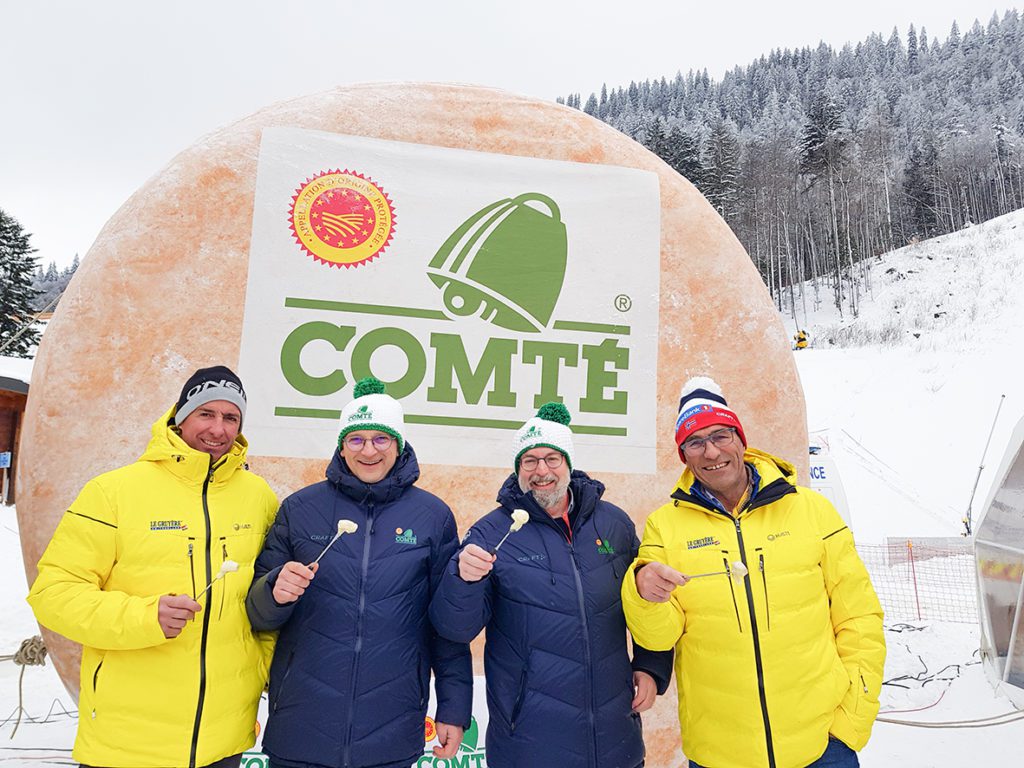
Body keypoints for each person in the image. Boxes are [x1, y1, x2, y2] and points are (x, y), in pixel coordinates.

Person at [621, 376, 885, 768]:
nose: (711, 451)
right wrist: (643, 591)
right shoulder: (665, 526)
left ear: (741, 440)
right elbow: (659, 635)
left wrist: (852, 719)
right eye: (695, 442)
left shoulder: (811, 510)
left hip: (822, 747)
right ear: (684, 456)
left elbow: (859, 617)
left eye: (721, 435)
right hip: (719, 753)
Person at [27, 365, 279, 768]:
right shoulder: (112, 492)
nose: (218, 429)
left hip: (224, 740)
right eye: (206, 413)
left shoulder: (259, 496)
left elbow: (264, 598)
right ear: (181, 416)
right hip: (127, 743)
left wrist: (261, 666)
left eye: (231, 417)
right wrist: (146, 616)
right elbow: (53, 595)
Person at [429, 402, 674, 768]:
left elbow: (645, 599)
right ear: (518, 469)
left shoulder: (613, 524)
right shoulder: (491, 532)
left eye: (551, 459)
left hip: (614, 739)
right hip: (529, 743)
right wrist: (463, 579)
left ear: (568, 463)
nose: (541, 471)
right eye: (529, 461)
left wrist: (651, 665)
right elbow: (455, 628)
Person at [246, 377, 472, 768]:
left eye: (381, 439)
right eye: (356, 439)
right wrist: (274, 592)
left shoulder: (432, 516)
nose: (369, 450)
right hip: (301, 728)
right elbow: (257, 614)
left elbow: (446, 623)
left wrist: (454, 707)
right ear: (341, 446)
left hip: (391, 730)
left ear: (398, 444)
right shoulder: (300, 509)